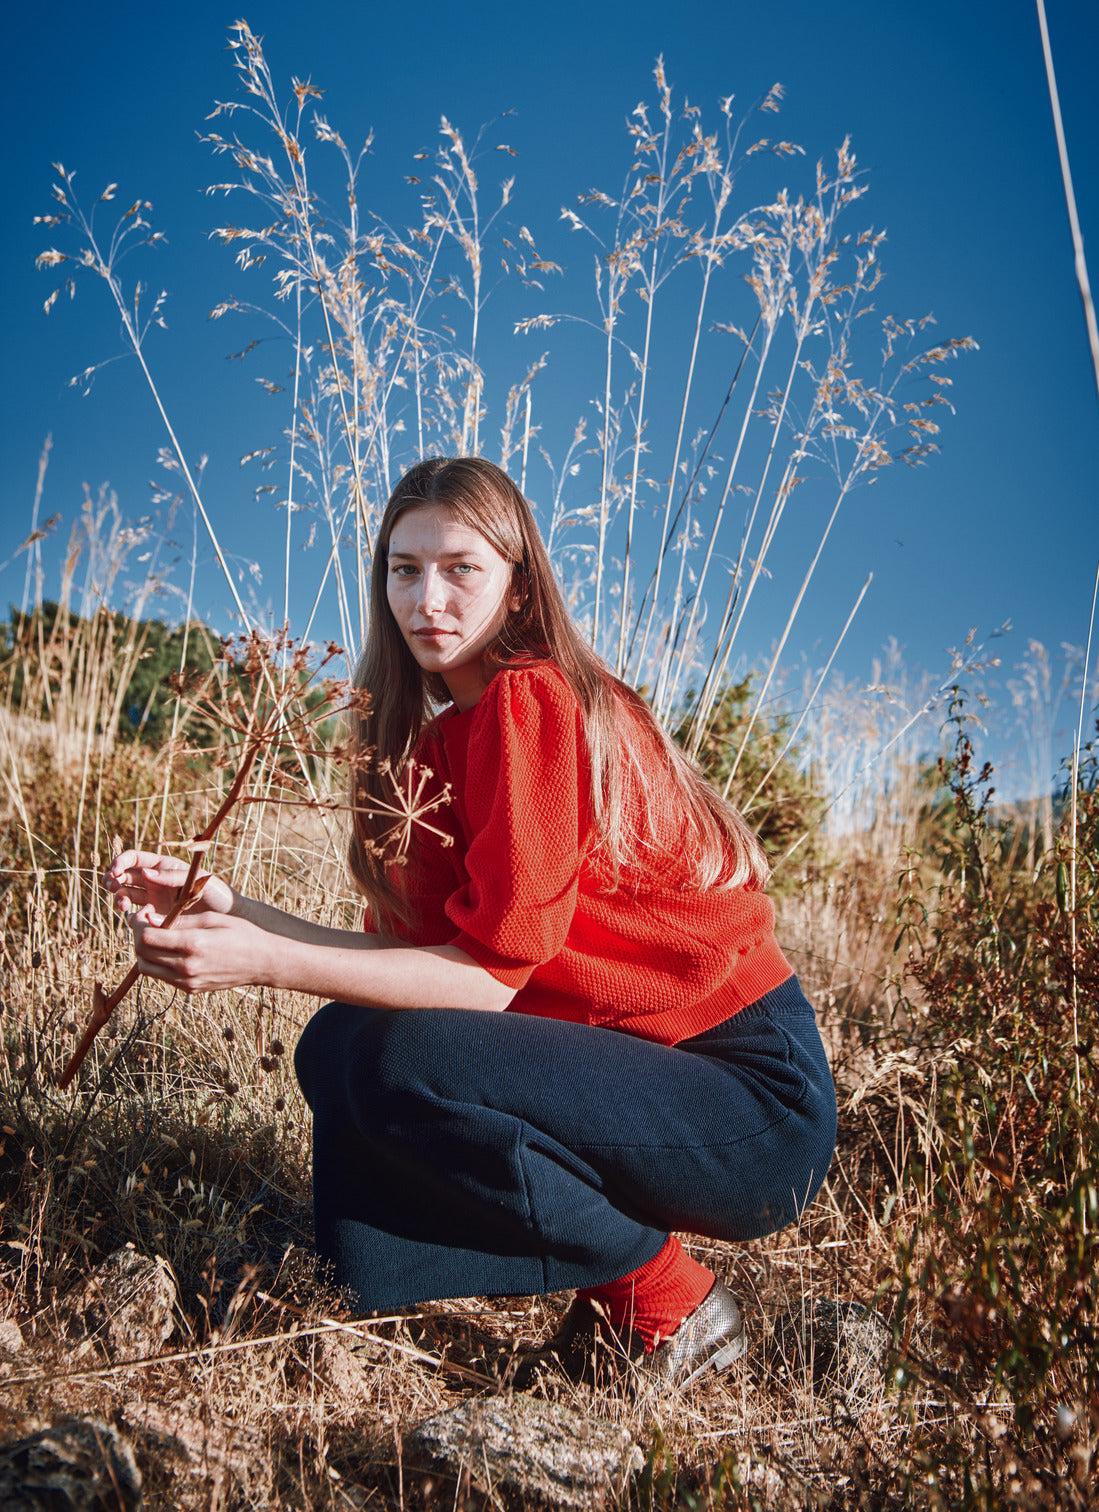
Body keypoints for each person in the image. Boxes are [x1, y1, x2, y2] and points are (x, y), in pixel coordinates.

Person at [106, 456, 836, 1392]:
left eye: (460, 569)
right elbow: (419, 965)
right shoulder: (436, 739)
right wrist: (230, 909)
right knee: (341, 1045)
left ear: (518, 585)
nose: (427, 599)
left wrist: (262, 962)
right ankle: (612, 1300)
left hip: (744, 1098)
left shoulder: (530, 699)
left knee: (391, 1057)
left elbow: (483, 983)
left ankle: (667, 1303)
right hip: (653, 1079)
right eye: (403, 570)